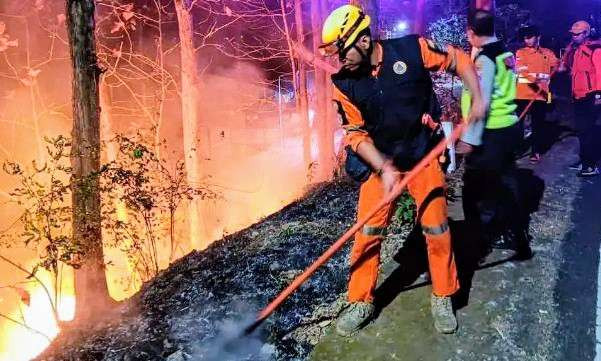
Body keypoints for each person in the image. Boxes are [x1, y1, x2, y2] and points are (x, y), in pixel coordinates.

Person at [319, 5, 485, 336]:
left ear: (363, 41)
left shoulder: (413, 49)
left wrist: (476, 97)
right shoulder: (344, 84)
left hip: (424, 155)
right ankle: (361, 300)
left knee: (437, 229)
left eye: (342, 51)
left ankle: (443, 295)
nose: (340, 61)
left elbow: (460, 61)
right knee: (367, 233)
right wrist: (384, 167)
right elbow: (355, 134)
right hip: (382, 165)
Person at [459, 9, 533, 261]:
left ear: (471, 32)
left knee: (473, 192)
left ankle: (476, 245)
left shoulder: (485, 60)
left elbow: (482, 102)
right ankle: (518, 237)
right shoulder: (506, 53)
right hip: (509, 127)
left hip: (491, 132)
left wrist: (469, 138)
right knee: (505, 184)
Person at [558, 21, 601, 176]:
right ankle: (584, 160)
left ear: (586, 33)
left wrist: (598, 94)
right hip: (578, 95)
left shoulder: (594, 49)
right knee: (581, 130)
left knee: (587, 131)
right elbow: (568, 70)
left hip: (590, 96)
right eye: (572, 34)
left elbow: (600, 72)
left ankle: (590, 165)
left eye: (577, 34)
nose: (574, 37)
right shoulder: (576, 50)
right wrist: (567, 53)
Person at [515, 25, 559, 163]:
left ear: (538, 37)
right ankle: (517, 150)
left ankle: (535, 151)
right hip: (522, 95)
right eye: (525, 37)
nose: (526, 40)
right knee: (518, 125)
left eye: (529, 37)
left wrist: (561, 66)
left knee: (538, 125)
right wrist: (537, 79)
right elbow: (522, 71)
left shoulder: (548, 53)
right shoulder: (521, 52)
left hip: (541, 96)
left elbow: (558, 66)